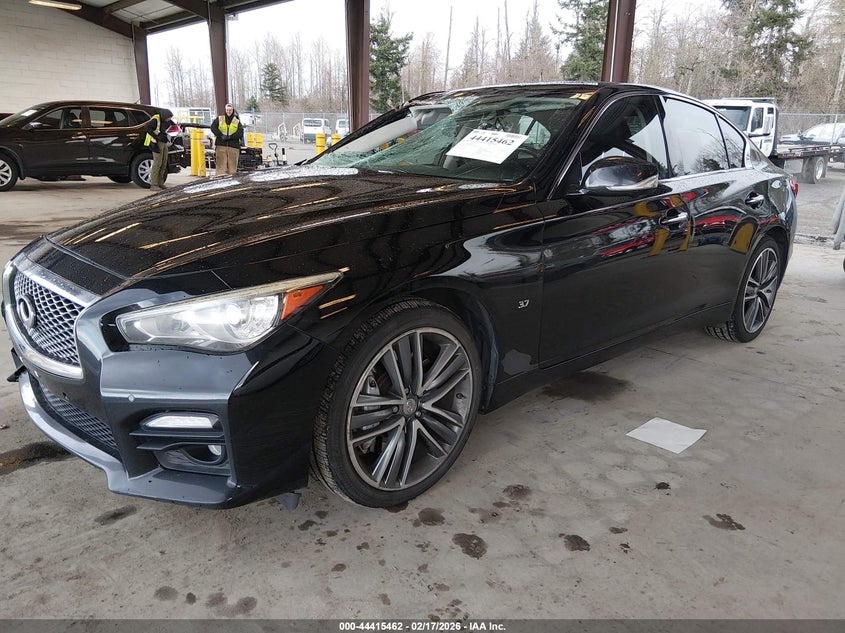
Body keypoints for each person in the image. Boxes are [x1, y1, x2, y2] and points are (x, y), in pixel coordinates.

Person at [144, 108, 175, 191]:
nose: (169, 119)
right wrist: (156, 137)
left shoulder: (165, 121)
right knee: (157, 163)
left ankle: (160, 182)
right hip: (156, 143)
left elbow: (172, 127)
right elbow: (147, 128)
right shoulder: (155, 119)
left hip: (163, 142)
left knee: (164, 162)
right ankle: (154, 184)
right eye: (169, 117)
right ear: (165, 116)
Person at [211, 103, 244, 175]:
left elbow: (240, 133)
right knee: (220, 168)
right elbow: (213, 127)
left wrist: (231, 137)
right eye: (227, 110)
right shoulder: (220, 119)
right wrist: (220, 135)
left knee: (232, 169)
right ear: (225, 110)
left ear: (233, 110)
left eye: (230, 110)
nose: (229, 112)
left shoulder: (236, 121)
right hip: (221, 145)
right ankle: (219, 183)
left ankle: (231, 183)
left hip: (233, 147)